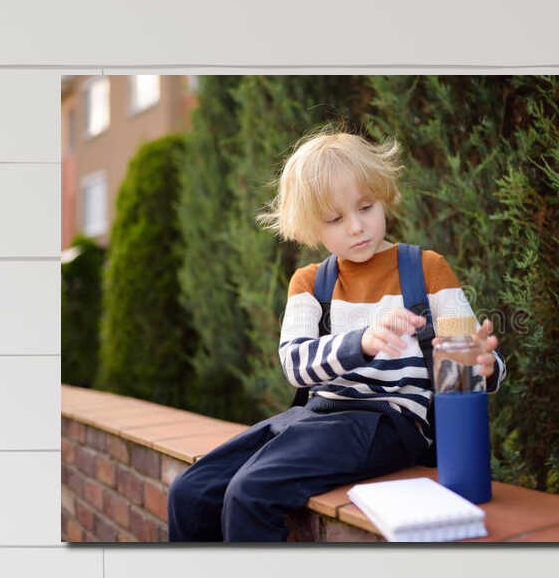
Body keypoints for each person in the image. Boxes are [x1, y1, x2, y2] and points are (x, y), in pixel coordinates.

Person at [166, 129, 506, 542]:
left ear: (384, 196)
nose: (357, 227)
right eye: (335, 219)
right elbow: (295, 364)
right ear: (312, 227)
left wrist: (483, 366)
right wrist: (362, 341)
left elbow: (464, 355)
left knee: (250, 493)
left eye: (366, 207)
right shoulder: (310, 284)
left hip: (388, 421)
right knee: (190, 491)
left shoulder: (427, 270)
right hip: (315, 416)